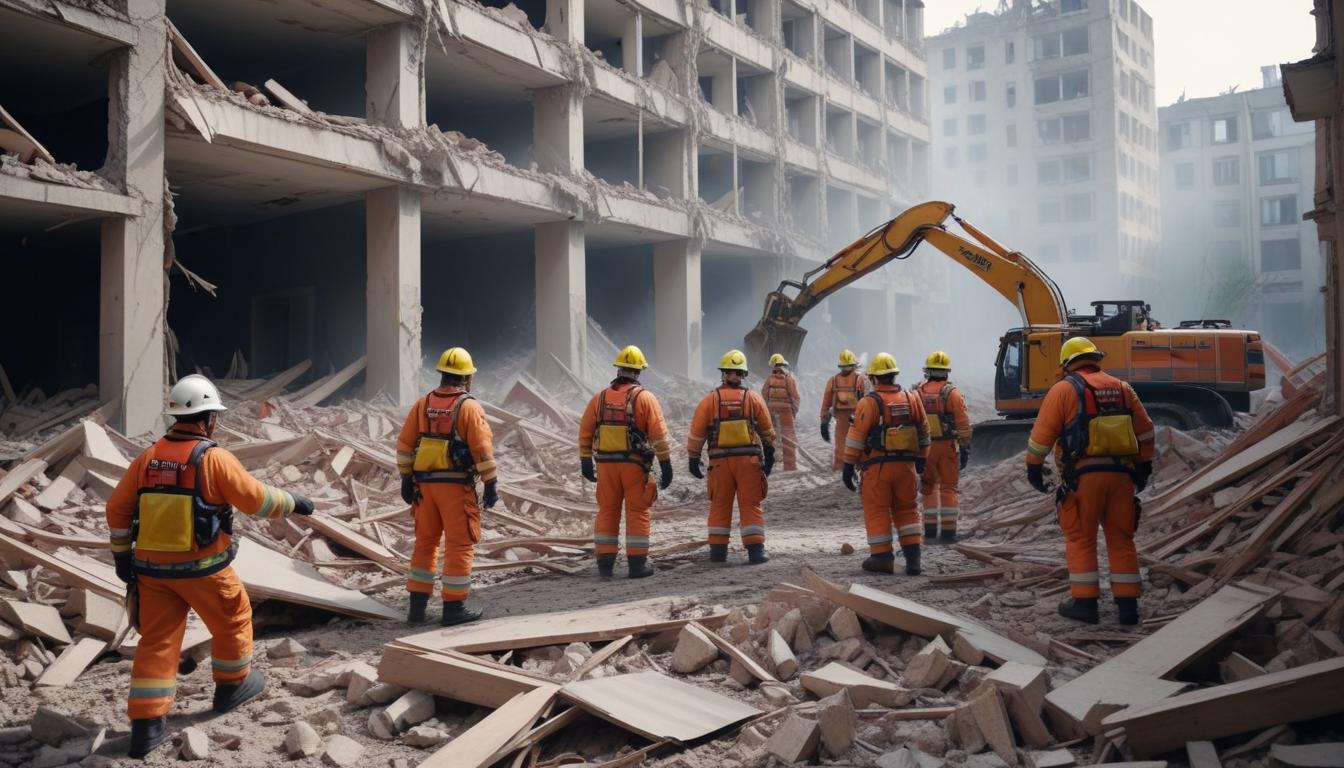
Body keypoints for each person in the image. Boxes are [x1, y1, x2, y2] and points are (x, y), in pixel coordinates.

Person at [106, 374, 315, 758]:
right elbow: (256, 500)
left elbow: (117, 508)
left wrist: (122, 556)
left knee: (157, 641)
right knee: (233, 618)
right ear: (208, 419)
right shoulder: (213, 458)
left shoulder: (147, 458)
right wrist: (294, 502)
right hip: (204, 569)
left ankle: (147, 726)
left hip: (152, 574)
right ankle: (232, 686)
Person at [1025, 337, 1155, 626]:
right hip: (1122, 475)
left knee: (1081, 538)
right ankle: (1128, 607)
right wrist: (1143, 466)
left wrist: (1034, 468)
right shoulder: (1123, 389)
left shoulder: (1063, 390)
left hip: (1084, 477)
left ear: (1067, 364)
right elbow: (1146, 431)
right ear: (1095, 358)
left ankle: (1085, 604)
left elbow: (1041, 436)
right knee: (1121, 539)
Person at [396, 347, 497, 627]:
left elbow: (405, 444)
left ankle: (416, 611)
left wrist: (406, 477)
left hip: (424, 489)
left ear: (441, 374)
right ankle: (453, 608)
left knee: (425, 544)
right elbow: (482, 449)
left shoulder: (422, 403)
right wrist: (490, 483)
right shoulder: (469, 407)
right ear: (467, 378)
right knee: (459, 545)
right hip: (455, 488)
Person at [578, 345, 674, 579]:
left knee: (607, 511)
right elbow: (658, 436)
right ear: (638, 372)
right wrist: (665, 463)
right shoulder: (645, 398)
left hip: (605, 466)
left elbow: (585, 432)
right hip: (635, 467)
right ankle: (638, 566)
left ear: (619, 369)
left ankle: (605, 566)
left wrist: (585, 461)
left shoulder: (599, 398)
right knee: (637, 512)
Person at [841, 354, 930, 575]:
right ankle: (913, 560)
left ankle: (881, 557)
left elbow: (856, 437)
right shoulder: (912, 398)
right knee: (908, 510)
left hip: (878, 467)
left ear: (873, 377)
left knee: (877, 510)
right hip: (906, 467)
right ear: (894, 375)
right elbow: (924, 432)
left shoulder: (869, 403)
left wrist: (848, 466)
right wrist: (921, 459)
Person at [687, 350, 778, 564]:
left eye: (736, 373)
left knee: (720, 505)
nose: (736, 377)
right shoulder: (752, 398)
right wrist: (770, 452)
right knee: (751, 504)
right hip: (748, 462)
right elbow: (767, 430)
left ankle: (718, 553)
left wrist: (693, 457)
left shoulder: (710, 400)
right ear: (742, 374)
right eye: (736, 373)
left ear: (723, 373)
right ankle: (756, 552)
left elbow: (697, 432)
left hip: (719, 464)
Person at [916, 351, 972, 543]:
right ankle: (948, 533)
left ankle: (930, 530)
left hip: (925, 447)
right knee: (948, 488)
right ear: (947, 373)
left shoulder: (916, 392)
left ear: (927, 371)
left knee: (928, 487)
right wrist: (965, 447)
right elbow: (963, 423)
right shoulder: (953, 394)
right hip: (948, 447)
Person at [820, 349, 870, 471]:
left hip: (848, 417)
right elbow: (870, 400)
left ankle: (841, 470)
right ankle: (859, 469)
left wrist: (824, 420)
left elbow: (826, 402)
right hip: (858, 418)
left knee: (842, 446)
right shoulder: (861, 379)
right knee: (858, 444)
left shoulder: (833, 380)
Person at [761, 353, 801, 472]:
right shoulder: (789, 379)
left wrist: (769, 407)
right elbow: (795, 397)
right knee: (788, 437)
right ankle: (790, 466)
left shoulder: (769, 380)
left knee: (774, 437)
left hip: (772, 412)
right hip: (786, 413)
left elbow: (764, 394)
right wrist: (794, 411)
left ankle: (774, 462)